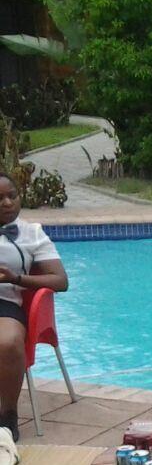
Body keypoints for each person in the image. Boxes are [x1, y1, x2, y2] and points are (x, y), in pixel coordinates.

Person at [0, 172, 69, 441]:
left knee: (7, 342)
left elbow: (60, 280)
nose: (7, 203)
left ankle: (7, 415)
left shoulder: (32, 233)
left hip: (6, 302)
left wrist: (16, 278)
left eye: (12, 196)